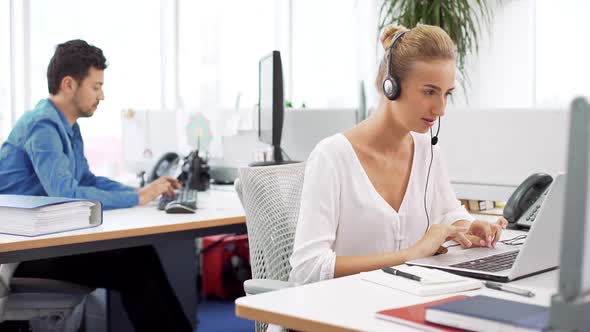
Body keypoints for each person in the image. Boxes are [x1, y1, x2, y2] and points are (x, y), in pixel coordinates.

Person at [289, 24, 508, 286]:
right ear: (390, 86)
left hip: (405, 302)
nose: (441, 109)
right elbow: (308, 268)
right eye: (429, 92)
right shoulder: (331, 157)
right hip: (342, 312)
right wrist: (410, 255)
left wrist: (468, 225)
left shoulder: (428, 150)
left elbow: (448, 211)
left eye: (446, 94)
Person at [0, 40, 192, 331]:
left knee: (142, 252)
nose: (102, 95)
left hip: (45, 242)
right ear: (68, 84)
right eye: (96, 86)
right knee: (134, 269)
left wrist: (139, 192)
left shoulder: (68, 127)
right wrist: (136, 198)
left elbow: (85, 180)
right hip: (23, 254)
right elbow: (65, 194)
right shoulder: (43, 127)